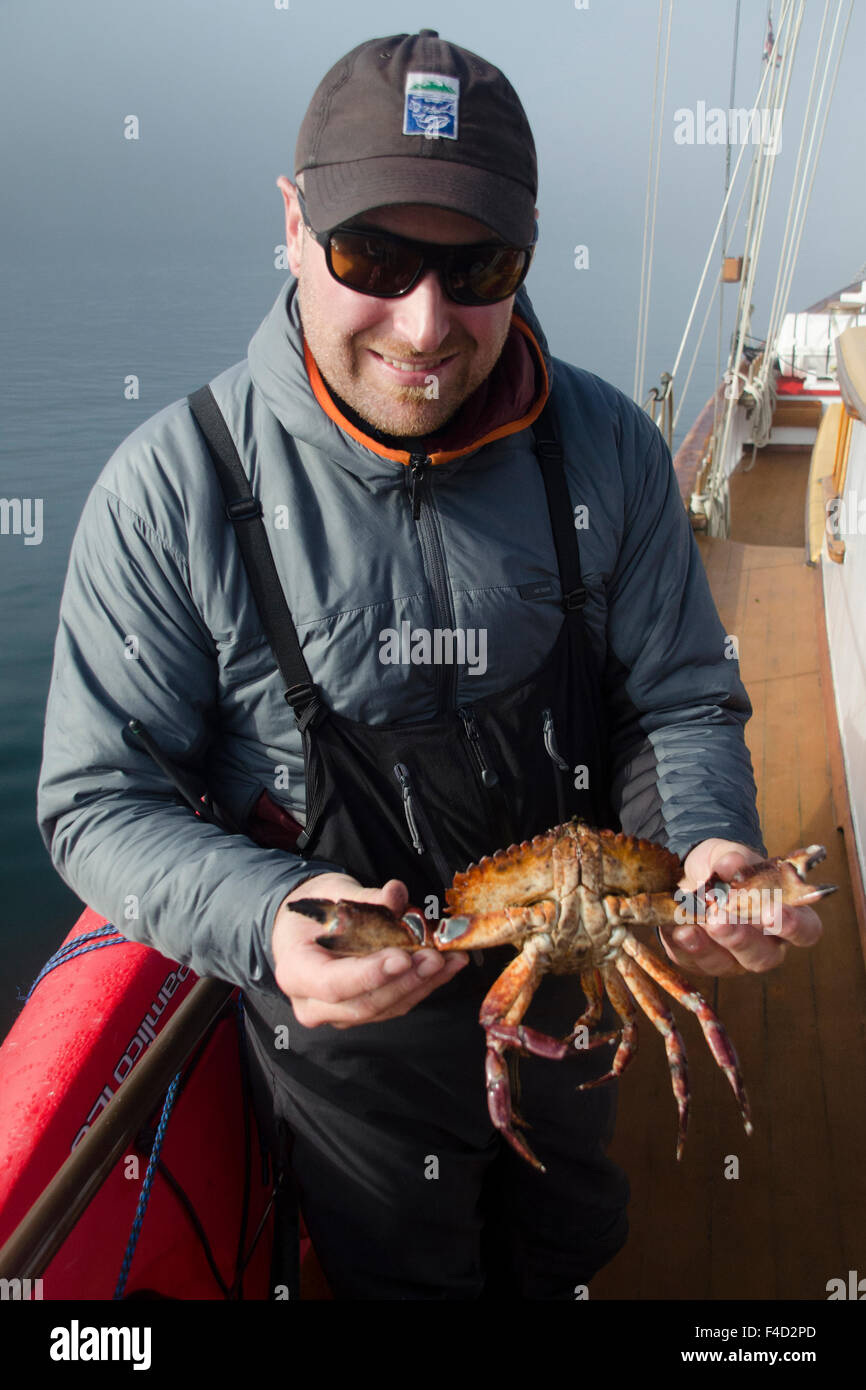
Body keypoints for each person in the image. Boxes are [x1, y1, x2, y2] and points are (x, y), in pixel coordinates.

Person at [37, 30, 822, 1300]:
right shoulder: (171, 494)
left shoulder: (608, 452)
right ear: (291, 223)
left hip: (573, 974)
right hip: (347, 1044)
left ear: (524, 256)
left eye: (476, 268)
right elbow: (93, 800)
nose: (424, 322)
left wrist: (711, 842)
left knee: (568, 1232)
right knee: (399, 1274)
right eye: (374, 256)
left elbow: (674, 694)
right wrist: (263, 921)